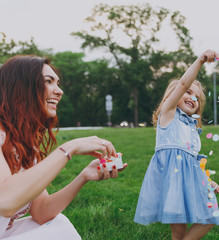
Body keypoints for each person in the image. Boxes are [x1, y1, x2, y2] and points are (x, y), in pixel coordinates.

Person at [0, 55, 128, 239]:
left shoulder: (27, 149)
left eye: (57, 83)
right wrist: (70, 148)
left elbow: (42, 212)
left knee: (60, 224)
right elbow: (5, 201)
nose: (59, 91)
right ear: (21, 87)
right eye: (48, 82)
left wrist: (83, 176)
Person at [134, 50, 219, 240]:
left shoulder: (192, 129)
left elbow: (195, 164)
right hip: (172, 182)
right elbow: (182, 83)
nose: (193, 98)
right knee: (179, 231)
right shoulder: (169, 115)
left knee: (211, 217)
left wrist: (207, 181)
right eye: (188, 92)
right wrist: (200, 61)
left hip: (190, 181)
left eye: (197, 98)